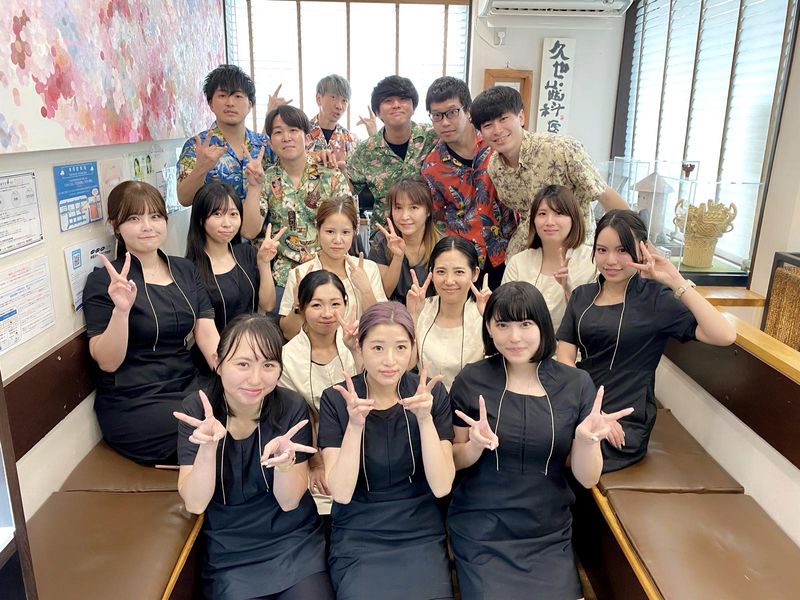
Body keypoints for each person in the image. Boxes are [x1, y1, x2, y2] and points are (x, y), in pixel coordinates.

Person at [448, 281, 632, 599]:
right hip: (483, 526)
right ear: (488, 328)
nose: (514, 337)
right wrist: (474, 446)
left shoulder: (576, 384)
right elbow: (454, 458)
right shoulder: (471, 379)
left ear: (542, 326)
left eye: (525, 324)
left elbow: (588, 478)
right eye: (502, 325)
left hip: (547, 529)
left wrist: (586, 441)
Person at [556, 210, 736, 471]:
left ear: (642, 250)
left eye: (622, 250)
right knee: (533, 438)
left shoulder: (657, 300)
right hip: (580, 404)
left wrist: (675, 280)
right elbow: (565, 359)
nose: (611, 260)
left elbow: (724, 335)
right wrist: (590, 409)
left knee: (559, 454)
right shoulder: (582, 296)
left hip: (626, 417)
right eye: (602, 250)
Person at [174, 314, 333, 599]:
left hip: (293, 543)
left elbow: (289, 502)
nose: (256, 379)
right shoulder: (197, 411)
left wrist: (285, 466)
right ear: (218, 363)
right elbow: (195, 502)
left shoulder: (291, 408)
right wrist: (208, 448)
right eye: (243, 364)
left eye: (268, 365)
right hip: (229, 551)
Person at [318, 302, 455, 600]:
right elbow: (340, 492)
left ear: (413, 349)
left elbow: (442, 485)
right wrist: (355, 425)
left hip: (419, 529)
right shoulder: (336, 400)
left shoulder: (430, 395)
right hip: (359, 531)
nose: (390, 361)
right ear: (360, 346)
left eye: (401, 348)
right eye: (378, 348)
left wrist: (425, 419)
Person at [83, 181, 219, 464]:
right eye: (134, 218)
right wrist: (121, 311)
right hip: (135, 401)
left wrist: (235, 376)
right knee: (208, 432)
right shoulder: (103, 281)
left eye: (155, 216)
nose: (147, 226)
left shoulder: (184, 269)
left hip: (187, 384)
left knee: (249, 411)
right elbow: (107, 362)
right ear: (115, 226)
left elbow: (207, 334)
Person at [469, 85, 629, 258]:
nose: (497, 130)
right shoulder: (495, 167)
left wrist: (636, 241)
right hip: (528, 253)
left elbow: (604, 195)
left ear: (521, 117)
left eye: (503, 119)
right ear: (481, 132)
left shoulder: (561, 149)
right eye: (488, 125)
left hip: (575, 252)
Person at [241, 105, 348, 302]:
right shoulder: (266, 178)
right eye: (278, 132)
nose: (286, 137)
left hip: (328, 272)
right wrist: (254, 187)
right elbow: (249, 231)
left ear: (307, 137)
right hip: (284, 276)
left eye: (293, 130)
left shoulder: (330, 175)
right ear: (271, 142)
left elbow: (348, 224)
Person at [421, 76, 516, 289]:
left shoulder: (495, 143)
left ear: (468, 111)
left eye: (452, 112)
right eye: (437, 115)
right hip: (467, 259)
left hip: (511, 249)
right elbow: (436, 212)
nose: (445, 122)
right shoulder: (432, 167)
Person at [279, 270, 359, 514]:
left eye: (335, 304)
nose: (327, 313)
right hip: (314, 450)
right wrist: (316, 464)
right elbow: (299, 415)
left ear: (346, 304)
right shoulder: (287, 357)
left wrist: (356, 352)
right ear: (302, 307)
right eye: (316, 305)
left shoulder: (359, 343)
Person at [345, 75, 438, 243]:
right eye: (388, 101)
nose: (396, 105)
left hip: (428, 236)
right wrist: (338, 168)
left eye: (403, 99)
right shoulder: (365, 151)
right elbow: (350, 190)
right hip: (385, 238)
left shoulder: (433, 137)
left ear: (413, 107)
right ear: (377, 112)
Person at [279, 196, 386, 340]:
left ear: (354, 232)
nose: (337, 240)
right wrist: (298, 304)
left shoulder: (369, 269)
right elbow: (288, 333)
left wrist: (366, 290)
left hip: (358, 350)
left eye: (345, 232)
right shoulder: (300, 274)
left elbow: (381, 327)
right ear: (318, 230)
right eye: (330, 232)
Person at [186, 181, 283, 334]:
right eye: (217, 214)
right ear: (200, 219)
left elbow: (268, 305)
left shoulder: (247, 253)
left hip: (252, 340)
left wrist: (264, 263)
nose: (227, 223)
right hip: (216, 346)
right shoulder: (190, 269)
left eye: (233, 214)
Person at [502, 184, 597, 331]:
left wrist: (569, 290)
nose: (549, 222)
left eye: (559, 213)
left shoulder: (592, 261)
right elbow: (506, 315)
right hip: (524, 344)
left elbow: (594, 321)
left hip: (573, 345)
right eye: (542, 214)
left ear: (574, 218)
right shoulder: (518, 262)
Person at [177, 64, 273, 206]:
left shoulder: (265, 144)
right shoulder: (196, 146)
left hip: (260, 221)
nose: (230, 103)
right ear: (211, 104)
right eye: (222, 96)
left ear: (250, 105)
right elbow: (184, 199)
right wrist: (200, 168)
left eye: (238, 96)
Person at [406, 236, 489, 391]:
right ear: (431, 273)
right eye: (441, 272)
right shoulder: (422, 308)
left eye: (459, 272)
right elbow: (407, 364)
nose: (449, 281)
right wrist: (412, 315)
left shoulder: (483, 314)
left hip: (471, 401)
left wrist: (490, 320)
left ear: (475, 273)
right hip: (426, 399)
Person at [370, 177, 440, 302]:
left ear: (428, 211)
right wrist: (398, 257)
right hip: (392, 311)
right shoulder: (382, 240)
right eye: (398, 208)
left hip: (429, 309)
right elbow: (384, 292)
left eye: (414, 207)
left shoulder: (441, 245)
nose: (404, 216)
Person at [306, 74, 362, 160]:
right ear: (319, 99)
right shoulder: (301, 133)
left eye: (344, 101)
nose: (339, 106)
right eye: (333, 97)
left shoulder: (352, 140)